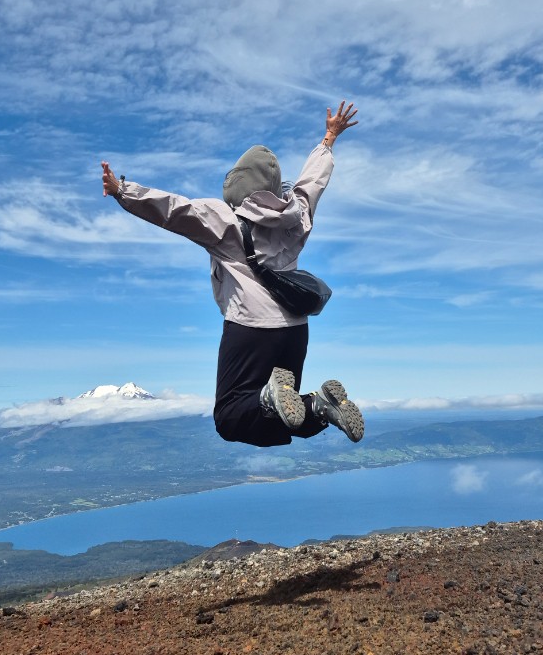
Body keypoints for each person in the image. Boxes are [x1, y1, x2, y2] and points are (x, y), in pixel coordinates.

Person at [101, 102, 364, 448]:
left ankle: (270, 396)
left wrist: (124, 191)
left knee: (230, 416)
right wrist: (328, 139)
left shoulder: (225, 220)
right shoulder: (297, 214)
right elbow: (313, 183)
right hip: (295, 331)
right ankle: (320, 406)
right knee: (285, 416)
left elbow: (174, 210)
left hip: (250, 329)